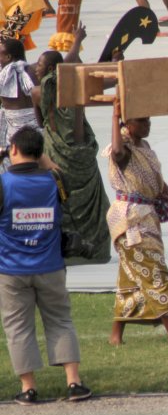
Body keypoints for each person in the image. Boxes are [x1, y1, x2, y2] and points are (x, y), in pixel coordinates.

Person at [0, 126, 92, 405]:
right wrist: (43, 156)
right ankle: (73, 383)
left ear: (13, 149)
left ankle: (28, 388)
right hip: (51, 265)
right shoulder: (54, 180)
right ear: (40, 154)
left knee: (18, 326)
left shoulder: (3, 183)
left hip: (11, 269)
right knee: (61, 321)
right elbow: (55, 171)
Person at [103, 96, 168, 345]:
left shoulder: (145, 147)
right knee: (153, 271)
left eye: (148, 120)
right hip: (130, 218)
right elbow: (118, 152)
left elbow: (159, 184)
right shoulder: (122, 147)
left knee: (132, 274)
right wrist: (114, 115)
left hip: (146, 215)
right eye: (141, 121)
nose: (147, 124)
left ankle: (116, 335)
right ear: (127, 124)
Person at [33, 24, 111, 264]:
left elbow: (40, 121)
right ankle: (94, 249)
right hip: (82, 153)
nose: (36, 68)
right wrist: (77, 41)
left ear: (47, 69)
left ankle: (66, 250)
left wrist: (77, 42)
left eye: (39, 65)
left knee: (61, 198)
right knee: (91, 200)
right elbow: (69, 66)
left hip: (56, 152)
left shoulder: (37, 92)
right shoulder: (76, 85)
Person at [0, 38, 42, 173]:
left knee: (13, 164)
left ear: (8, 57)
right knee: (38, 161)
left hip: (15, 131)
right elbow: (61, 62)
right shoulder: (36, 71)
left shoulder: (2, 77)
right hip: (36, 129)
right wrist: (76, 43)